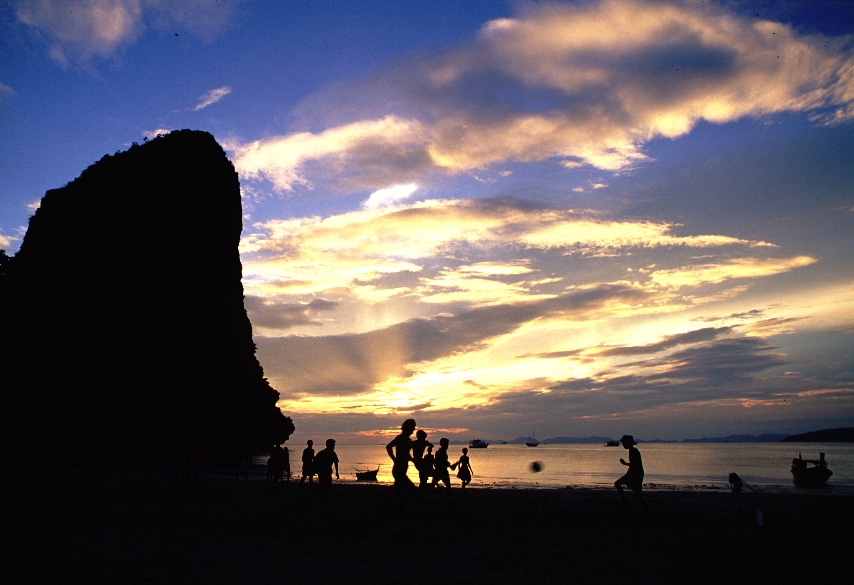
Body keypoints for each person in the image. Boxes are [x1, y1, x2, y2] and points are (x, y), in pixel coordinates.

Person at [614, 434, 647, 511]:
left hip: (635, 474)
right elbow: (635, 464)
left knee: (637, 493)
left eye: (624, 443)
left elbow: (636, 464)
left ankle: (626, 502)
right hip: (633, 473)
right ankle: (626, 501)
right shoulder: (632, 451)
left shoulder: (634, 451)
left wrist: (625, 463)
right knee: (637, 493)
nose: (623, 444)